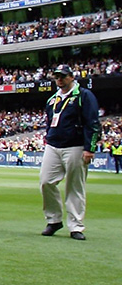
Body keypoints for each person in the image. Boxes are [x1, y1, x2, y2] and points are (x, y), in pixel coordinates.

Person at [39, 64, 101, 241]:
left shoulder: (84, 96)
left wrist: (90, 148)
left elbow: (93, 122)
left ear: (71, 77)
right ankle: (54, 219)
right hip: (53, 145)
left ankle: (76, 226)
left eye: (63, 76)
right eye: (57, 76)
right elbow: (50, 121)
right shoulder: (52, 100)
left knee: (75, 186)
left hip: (75, 145)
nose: (59, 79)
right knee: (46, 181)